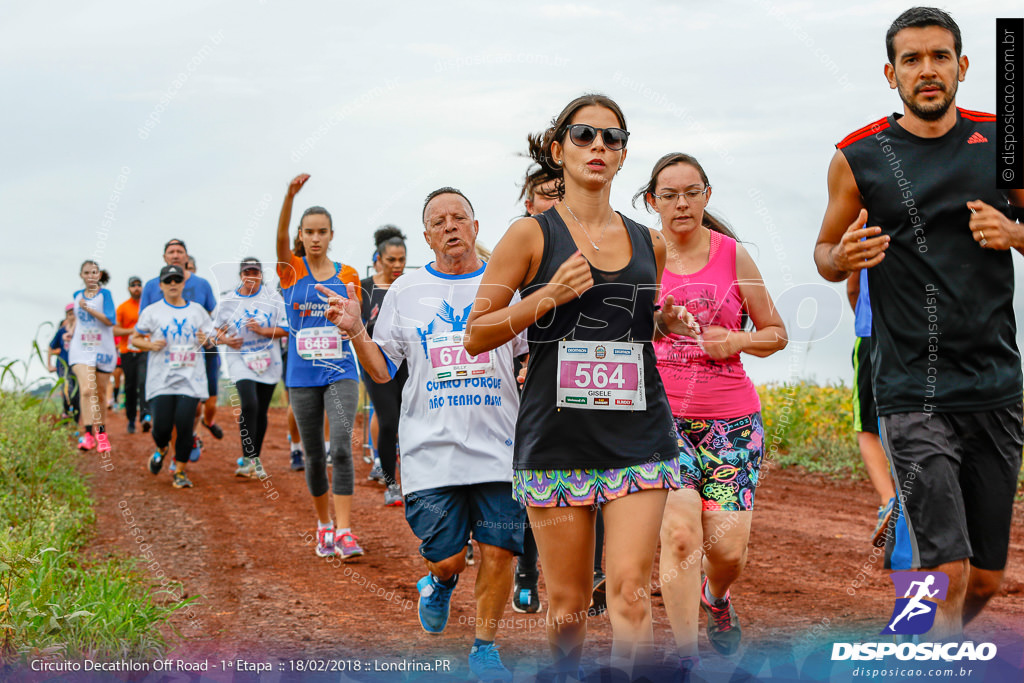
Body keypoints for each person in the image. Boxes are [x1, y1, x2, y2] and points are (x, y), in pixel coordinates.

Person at [465, 94, 700, 679]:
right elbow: (475, 335)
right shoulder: (529, 235)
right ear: (558, 149)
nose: (599, 147)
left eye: (612, 139)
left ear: (623, 158)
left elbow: (635, 323)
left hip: (637, 437)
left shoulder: (652, 243)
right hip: (557, 440)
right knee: (568, 607)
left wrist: (664, 320)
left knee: (628, 595)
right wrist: (548, 296)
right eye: (584, 135)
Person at [813, 7, 1024, 640]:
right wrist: (841, 258)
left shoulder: (1003, 140)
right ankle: (929, 657)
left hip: (994, 382)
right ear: (890, 72)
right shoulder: (859, 156)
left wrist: (1014, 231)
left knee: (985, 578)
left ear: (962, 66)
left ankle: (910, 642)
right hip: (911, 385)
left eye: (939, 57)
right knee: (947, 568)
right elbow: (824, 253)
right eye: (912, 59)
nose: (926, 71)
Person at [320, 187, 527, 682]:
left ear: (477, 229)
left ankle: (484, 646)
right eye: (439, 220)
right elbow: (384, 369)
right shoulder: (406, 292)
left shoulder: (506, 288)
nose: (451, 225)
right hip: (429, 452)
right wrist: (355, 332)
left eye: (461, 217)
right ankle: (438, 582)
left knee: (499, 551)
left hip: (499, 447)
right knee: (451, 558)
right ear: (427, 235)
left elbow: (527, 357)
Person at [637, 153, 786, 666]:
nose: (682, 203)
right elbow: (616, 329)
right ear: (652, 201)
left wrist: (735, 340)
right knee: (680, 533)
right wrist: (659, 324)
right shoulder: (639, 257)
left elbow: (776, 333)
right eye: (670, 194)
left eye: (692, 192)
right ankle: (686, 659)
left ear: (706, 196)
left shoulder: (733, 256)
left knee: (727, 553)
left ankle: (716, 597)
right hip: (659, 420)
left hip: (732, 422)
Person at [276, 173, 364, 559]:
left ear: (331, 235)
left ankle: (345, 531)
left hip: (340, 370)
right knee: (313, 454)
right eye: (308, 231)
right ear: (300, 234)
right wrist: (289, 197)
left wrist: (349, 331)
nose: (315, 238)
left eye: (321, 231)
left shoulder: (348, 275)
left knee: (341, 449)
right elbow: (278, 241)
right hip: (301, 375)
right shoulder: (290, 271)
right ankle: (323, 525)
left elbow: (356, 321)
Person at [511, 162, 560, 616]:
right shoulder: (524, 244)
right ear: (529, 205)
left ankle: (598, 575)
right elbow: (498, 318)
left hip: (595, 388)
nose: (555, 201)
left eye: (560, 193)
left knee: (600, 482)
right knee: (539, 486)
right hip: (535, 383)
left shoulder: (602, 240)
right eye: (546, 195)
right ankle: (526, 574)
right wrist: (524, 361)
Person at [131, 265, 215, 489]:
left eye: (177, 280)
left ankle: (179, 471)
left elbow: (212, 339)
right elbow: (135, 338)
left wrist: (205, 339)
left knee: (185, 427)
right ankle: (161, 448)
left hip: (190, 379)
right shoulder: (152, 311)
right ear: (161, 285)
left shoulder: (197, 311)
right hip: (161, 380)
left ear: (183, 283)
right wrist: (149, 344)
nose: (173, 284)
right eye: (168, 281)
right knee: (162, 428)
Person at [140, 239, 224, 454]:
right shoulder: (151, 286)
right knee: (167, 414)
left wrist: (212, 338)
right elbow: (142, 328)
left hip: (200, 355)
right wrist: (149, 344)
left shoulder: (202, 285)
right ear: (164, 257)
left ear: (187, 257)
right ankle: (170, 445)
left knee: (194, 406)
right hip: (163, 359)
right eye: (171, 252)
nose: (175, 255)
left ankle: (188, 442)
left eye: (180, 252)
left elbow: (216, 320)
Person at [213, 258, 287, 478]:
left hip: (268, 361)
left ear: (261, 275)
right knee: (249, 403)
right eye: (247, 273)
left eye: (255, 272)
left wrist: (263, 331)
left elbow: (286, 328)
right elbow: (214, 331)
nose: (251, 277)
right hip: (240, 359)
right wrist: (227, 340)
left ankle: (253, 459)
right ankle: (249, 457)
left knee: (261, 410)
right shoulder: (228, 301)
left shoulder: (273, 298)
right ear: (241, 276)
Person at [846, 271, 897, 546]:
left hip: (871, 334)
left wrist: (864, 317)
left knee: (867, 427)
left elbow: (853, 286)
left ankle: (889, 500)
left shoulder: (867, 227)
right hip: (929, 339)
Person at [360, 226, 409, 506]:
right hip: (376, 365)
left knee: (410, 419)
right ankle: (391, 484)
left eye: (401, 259)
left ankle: (416, 481)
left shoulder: (409, 286)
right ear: (378, 258)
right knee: (388, 420)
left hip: (407, 362)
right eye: (391, 260)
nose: (397, 265)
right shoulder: (365, 288)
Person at [68, 260, 117, 453]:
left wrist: (88, 308)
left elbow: (110, 320)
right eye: (86, 272)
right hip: (80, 349)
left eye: (94, 272)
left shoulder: (105, 295)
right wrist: (69, 330)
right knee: (87, 390)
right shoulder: (76, 296)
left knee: (100, 394)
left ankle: (102, 434)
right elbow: (77, 321)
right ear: (81, 275)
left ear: (98, 275)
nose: (90, 276)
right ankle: (87, 434)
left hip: (102, 349)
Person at [114, 276, 151, 434]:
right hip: (127, 352)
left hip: (144, 350)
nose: (136, 288)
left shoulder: (147, 307)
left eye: (139, 285)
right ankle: (130, 419)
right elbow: (115, 330)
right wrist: (132, 331)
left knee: (144, 382)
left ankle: (145, 416)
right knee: (130, 386)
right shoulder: (122, 308)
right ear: (129, 288)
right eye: (133, 285)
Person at [47, 303, 80, 422]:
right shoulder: (61, 332)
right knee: (67, 389)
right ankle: (66, 411)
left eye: (74, 313)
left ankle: (76, 418)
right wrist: (49, 364)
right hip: (63, 365)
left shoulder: (81, 330)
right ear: (66, 316)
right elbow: (51, 347)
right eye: (70, 314)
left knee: (78, 391)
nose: (72, 316)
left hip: (77, 364)